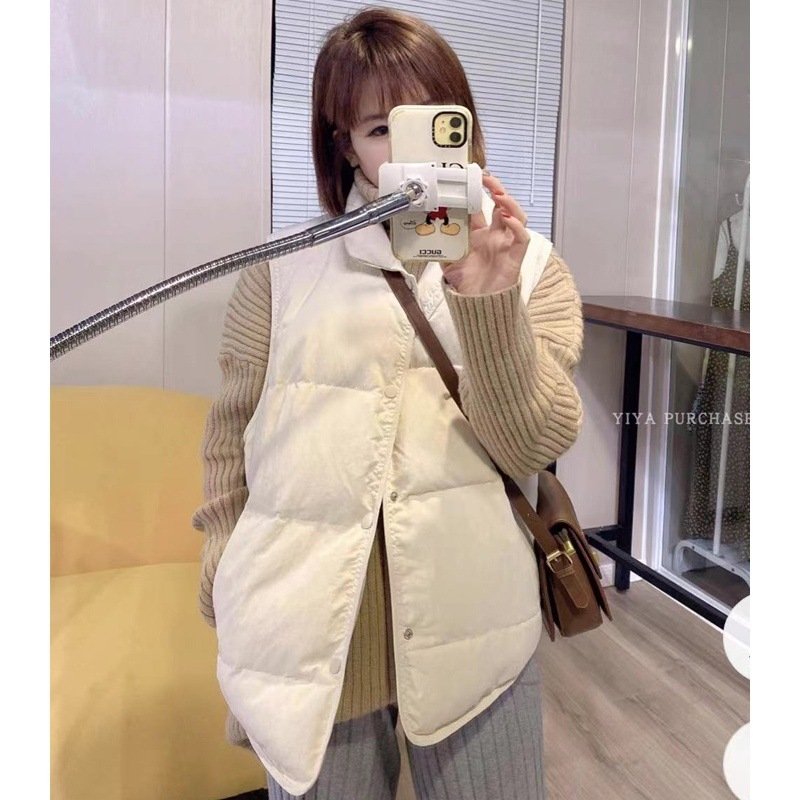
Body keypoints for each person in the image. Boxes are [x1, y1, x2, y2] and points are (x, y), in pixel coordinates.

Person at [192, 7, 584, 799]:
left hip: (477, 630)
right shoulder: (279, 272)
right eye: (381, 129)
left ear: (464, 125)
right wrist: (224, 569)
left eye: (434, 122)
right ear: (345, 145)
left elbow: (534, 446)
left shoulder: (533, 267)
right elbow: (230, 436)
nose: (412, 155)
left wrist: (488, 301)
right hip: (307, 640)